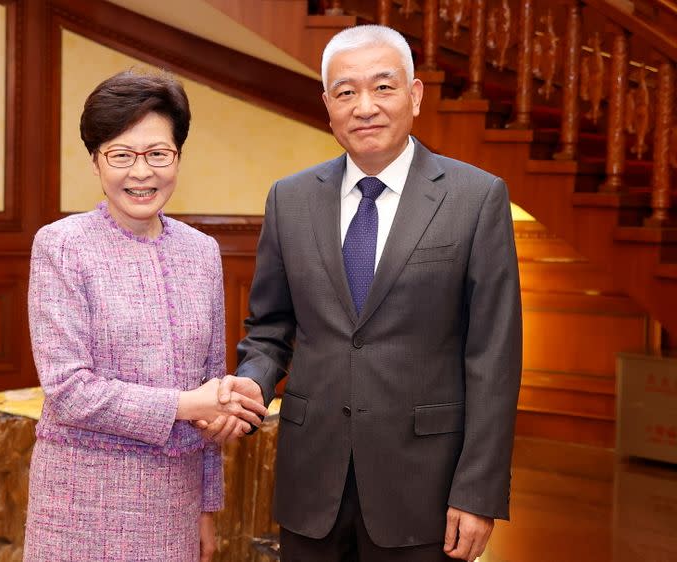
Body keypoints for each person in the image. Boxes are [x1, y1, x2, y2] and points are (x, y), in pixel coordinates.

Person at [203, 25, 522, 562]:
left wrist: (478, 491)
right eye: (346, 92)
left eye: (383, 87)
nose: (364, 106)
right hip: (312, 482)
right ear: (327, 105)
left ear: (415, 96)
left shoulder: (476, 198)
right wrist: (253, 383)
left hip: (425, 486)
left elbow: (494, 356)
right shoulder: (291, 198)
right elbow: (271, 328)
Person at [23, 69, 267, 562]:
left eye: (158, 154)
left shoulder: (202, 252)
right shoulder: (61, 246)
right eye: (121, 155)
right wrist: (189, 405)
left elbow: (207, 384)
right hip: (79, 506)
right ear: (95, 161)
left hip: (174, 506)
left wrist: (207, 506)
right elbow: (69, 392)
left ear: (177, 157)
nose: (141, 173)